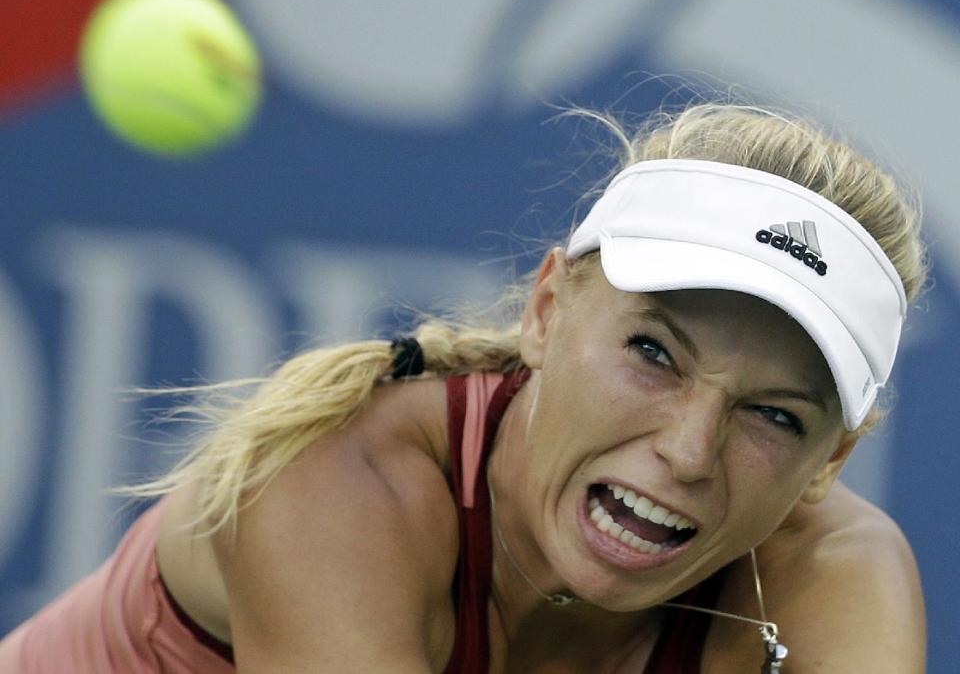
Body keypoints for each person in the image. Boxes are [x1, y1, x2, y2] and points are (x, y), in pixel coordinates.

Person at [0, 102, 928, 673]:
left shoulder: (840, 578)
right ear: (548, 308)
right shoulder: (334, 488)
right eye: (654, 353)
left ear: (829, 461)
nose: (688, 450)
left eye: (773, 414)